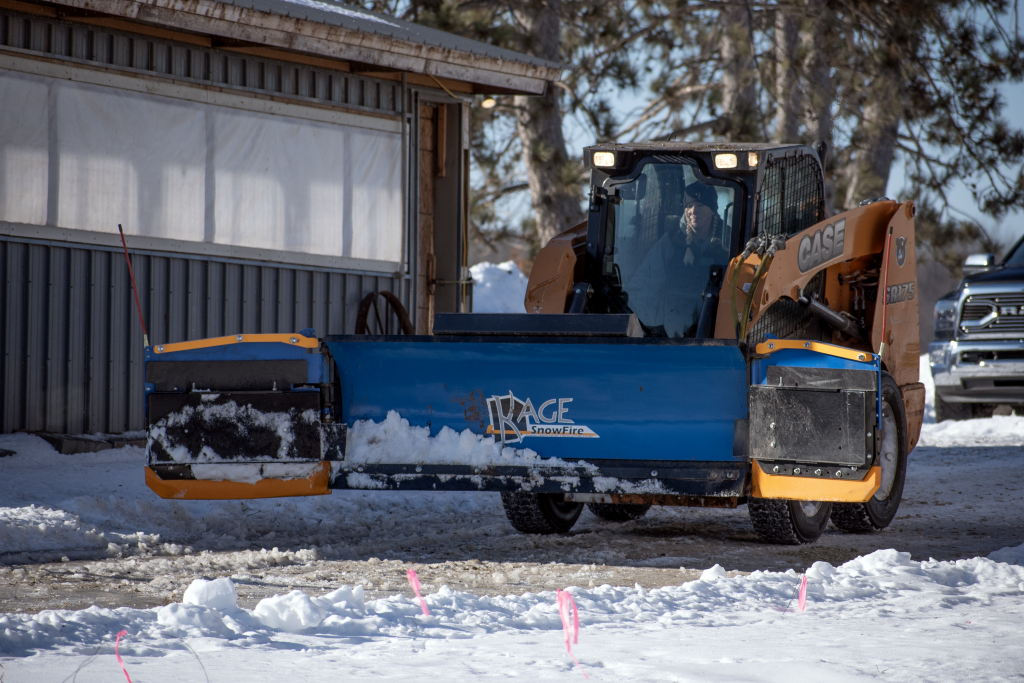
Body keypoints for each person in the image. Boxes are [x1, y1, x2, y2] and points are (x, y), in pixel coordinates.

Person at [624, 181, 729, 336]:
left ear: (713, 210)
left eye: (699, 205)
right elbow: (645, 284)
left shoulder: (730, 242)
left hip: (719, 328)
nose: (693, 211)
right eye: (688, 206)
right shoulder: (670, 243)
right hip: (674, 331)